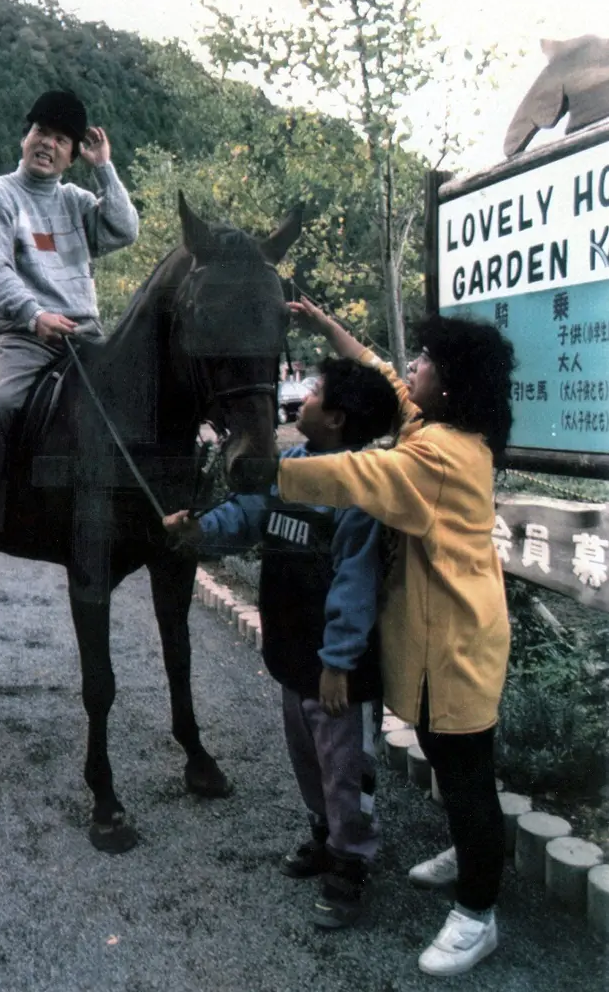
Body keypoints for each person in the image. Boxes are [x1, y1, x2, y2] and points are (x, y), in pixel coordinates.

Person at [276, 296, 516, 976]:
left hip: (455, 644)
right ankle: (476, 854)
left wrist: (270, 471)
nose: (412, 366)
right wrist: (328, 330)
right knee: (453, 762)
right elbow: (382, 374)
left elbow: (359, 473)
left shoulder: (436, 454)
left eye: (426, 362)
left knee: (466, 777)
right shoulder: (440, 427)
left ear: (449, 382)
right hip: (451, 635)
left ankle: (478, 912)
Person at [163, 357, 399, 929]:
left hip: (337, 668)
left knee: (346, 770)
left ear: (336, 418)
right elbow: (244, 517)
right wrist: (198, 531)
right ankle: (324, 837)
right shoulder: (291, 466)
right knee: (308, 761)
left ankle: (351, 865)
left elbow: (355, 584)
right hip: (293, 655)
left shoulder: (358, 491)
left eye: (314, 391)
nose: (303, 397)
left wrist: (339, 663)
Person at [0, 89, 140, 578]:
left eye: (60, 140)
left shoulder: (77, 201)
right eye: (40, 132)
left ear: (72, 155)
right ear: (24, 136)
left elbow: (124, 230)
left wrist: (104, 168)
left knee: (142, 403)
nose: (47, 144)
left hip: (85, 332)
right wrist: (35, 315)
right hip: (22, 337)